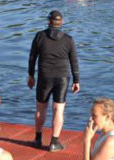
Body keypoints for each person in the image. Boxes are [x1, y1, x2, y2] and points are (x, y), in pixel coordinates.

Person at [27, 10, 80, 151]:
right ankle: (54, 142)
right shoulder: (68, 40)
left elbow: (32, 58)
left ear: (48, 21)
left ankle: (38, 139)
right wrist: (76, 80)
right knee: (58, 110)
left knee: (40, 108)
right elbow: (74, 61)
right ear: (61, 23)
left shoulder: (39, 36)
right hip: (62, 78)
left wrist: (31, 75)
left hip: (44, 76)